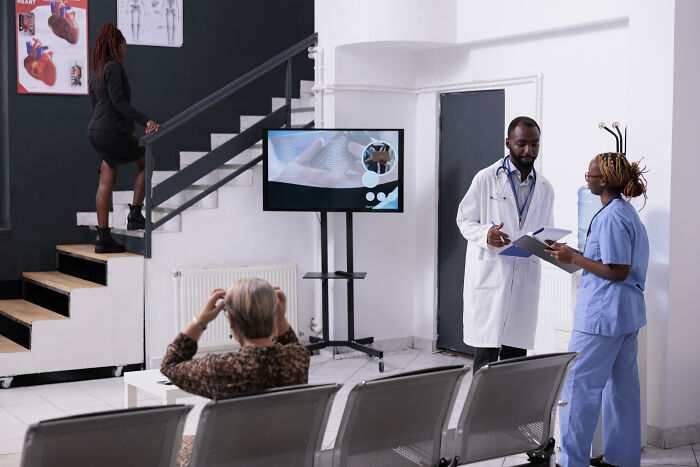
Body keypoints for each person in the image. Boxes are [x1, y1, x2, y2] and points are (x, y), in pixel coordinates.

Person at [547, 153, 649, 467]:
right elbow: (608, 260)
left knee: (578, 389)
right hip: (624, 318)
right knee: (622, 391)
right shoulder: (626, 213)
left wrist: (575, 260)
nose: (587, 178)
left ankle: (572, 463)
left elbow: (618, 269)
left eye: (590, 174)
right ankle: (621, 460)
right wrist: (574, 253)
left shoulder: (611, 216)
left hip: (600, 321)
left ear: (603, 180)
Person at [160, 277, 310, 467]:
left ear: (231, 320)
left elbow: (170, 364)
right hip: (283, 457)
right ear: (274, 318)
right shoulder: (298, 358)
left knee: (170, 447)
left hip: (229, 459)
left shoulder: (221, 368)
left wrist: (201, 320)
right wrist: (280, 317)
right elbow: (291, 344)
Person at [456, 116, 554, 374]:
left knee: (515, 358)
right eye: (522, 144)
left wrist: (551, 246)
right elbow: (464, 219)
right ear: (508, 142)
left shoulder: (545, 188)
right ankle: (480, 413)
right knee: (486, 357)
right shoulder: (486, 178)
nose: (528, 151)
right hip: (492, 274)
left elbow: (547, 233)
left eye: (534, 144)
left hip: (524, 278)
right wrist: (485, 233)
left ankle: (509, 413)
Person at [88, 23, 159, 253]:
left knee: (106, 180)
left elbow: (96, 104)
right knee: (147, 162)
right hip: (111, 131)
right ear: (117, 45)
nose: (126, 48)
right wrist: (145, 120)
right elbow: (119, 103)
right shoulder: (114, 68)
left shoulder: (96, 71)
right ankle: (135, 214)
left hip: (96, 131)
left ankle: (103, 237)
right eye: (124, 43)